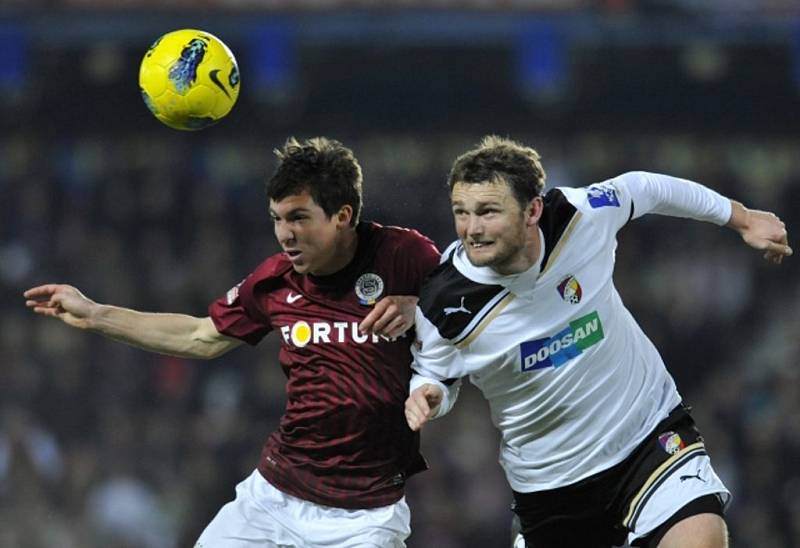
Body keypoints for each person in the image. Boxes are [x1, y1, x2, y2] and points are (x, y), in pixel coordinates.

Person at [24, 137, 441, 548]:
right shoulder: (276, 279)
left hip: (365, 518)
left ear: (342, 215)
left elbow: (479, 300)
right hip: (274, 496)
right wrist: (95, 314)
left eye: (298, 217)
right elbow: (200, 336)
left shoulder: (404, 256)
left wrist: (420, 304)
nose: (285, 234)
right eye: (277, 218)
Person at [404, 136, 792, 548]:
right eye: (461, 213)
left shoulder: (578, 216)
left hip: (645, 432)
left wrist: (742, 217)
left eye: (487, 212)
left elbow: (645, 188)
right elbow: (434, 374)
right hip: (551, 483)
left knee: (702, 538)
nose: (471, 229)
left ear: (533, 209)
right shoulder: (443, 301)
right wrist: (428, 394)